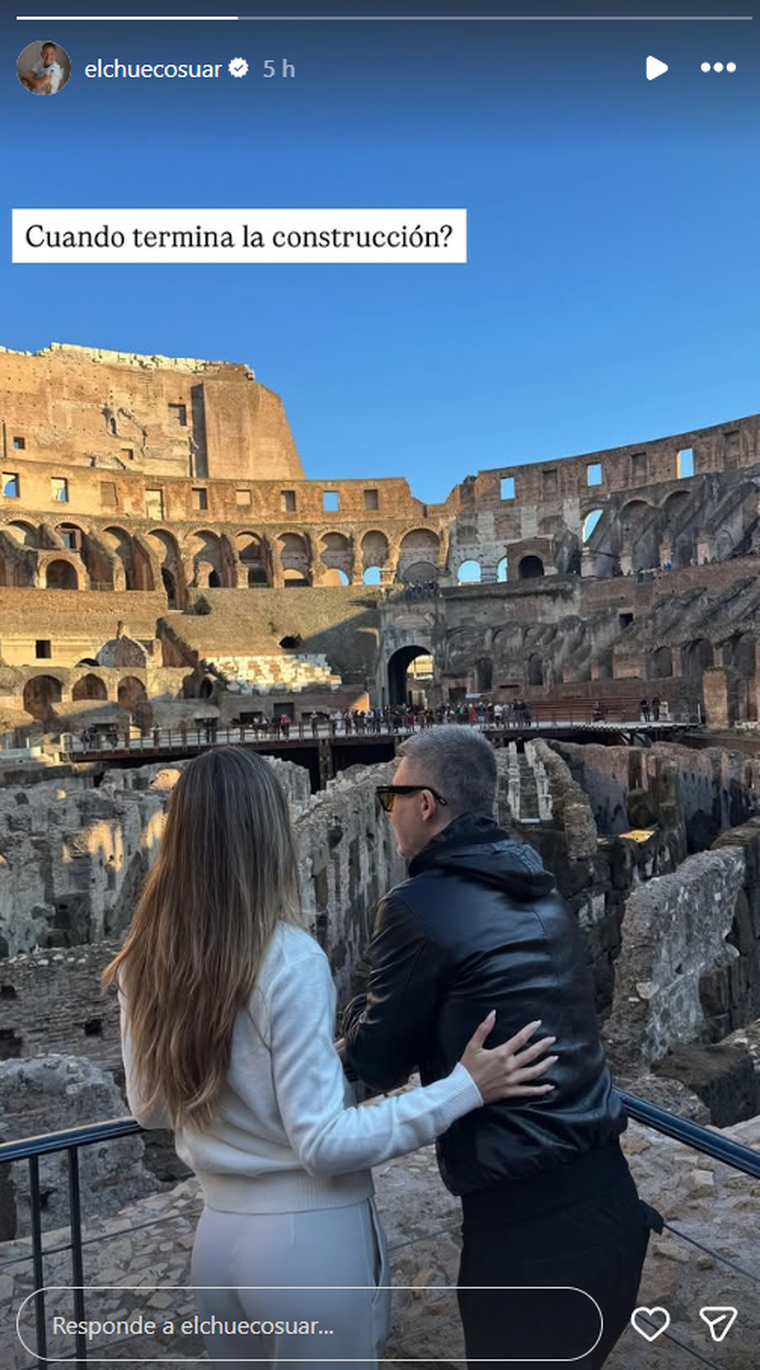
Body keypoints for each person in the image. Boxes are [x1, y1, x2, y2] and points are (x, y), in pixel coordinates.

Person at [104, 747, 557, 1370]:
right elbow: (322, 1143)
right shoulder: (288, 959)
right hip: (307, 1245)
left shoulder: (141, 959)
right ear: (269, 835)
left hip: (218, 1242)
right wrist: (464, 1088)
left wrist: (308, 1064)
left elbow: (151, 1109)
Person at [343, 726, 657, 1370]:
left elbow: (374, 1062)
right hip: (610, 1206)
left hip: (530, 1235)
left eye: (390, 795)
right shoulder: (537, 887)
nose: (389, 810)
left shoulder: (417, 905)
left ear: (424, 803)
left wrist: (350, 1015)